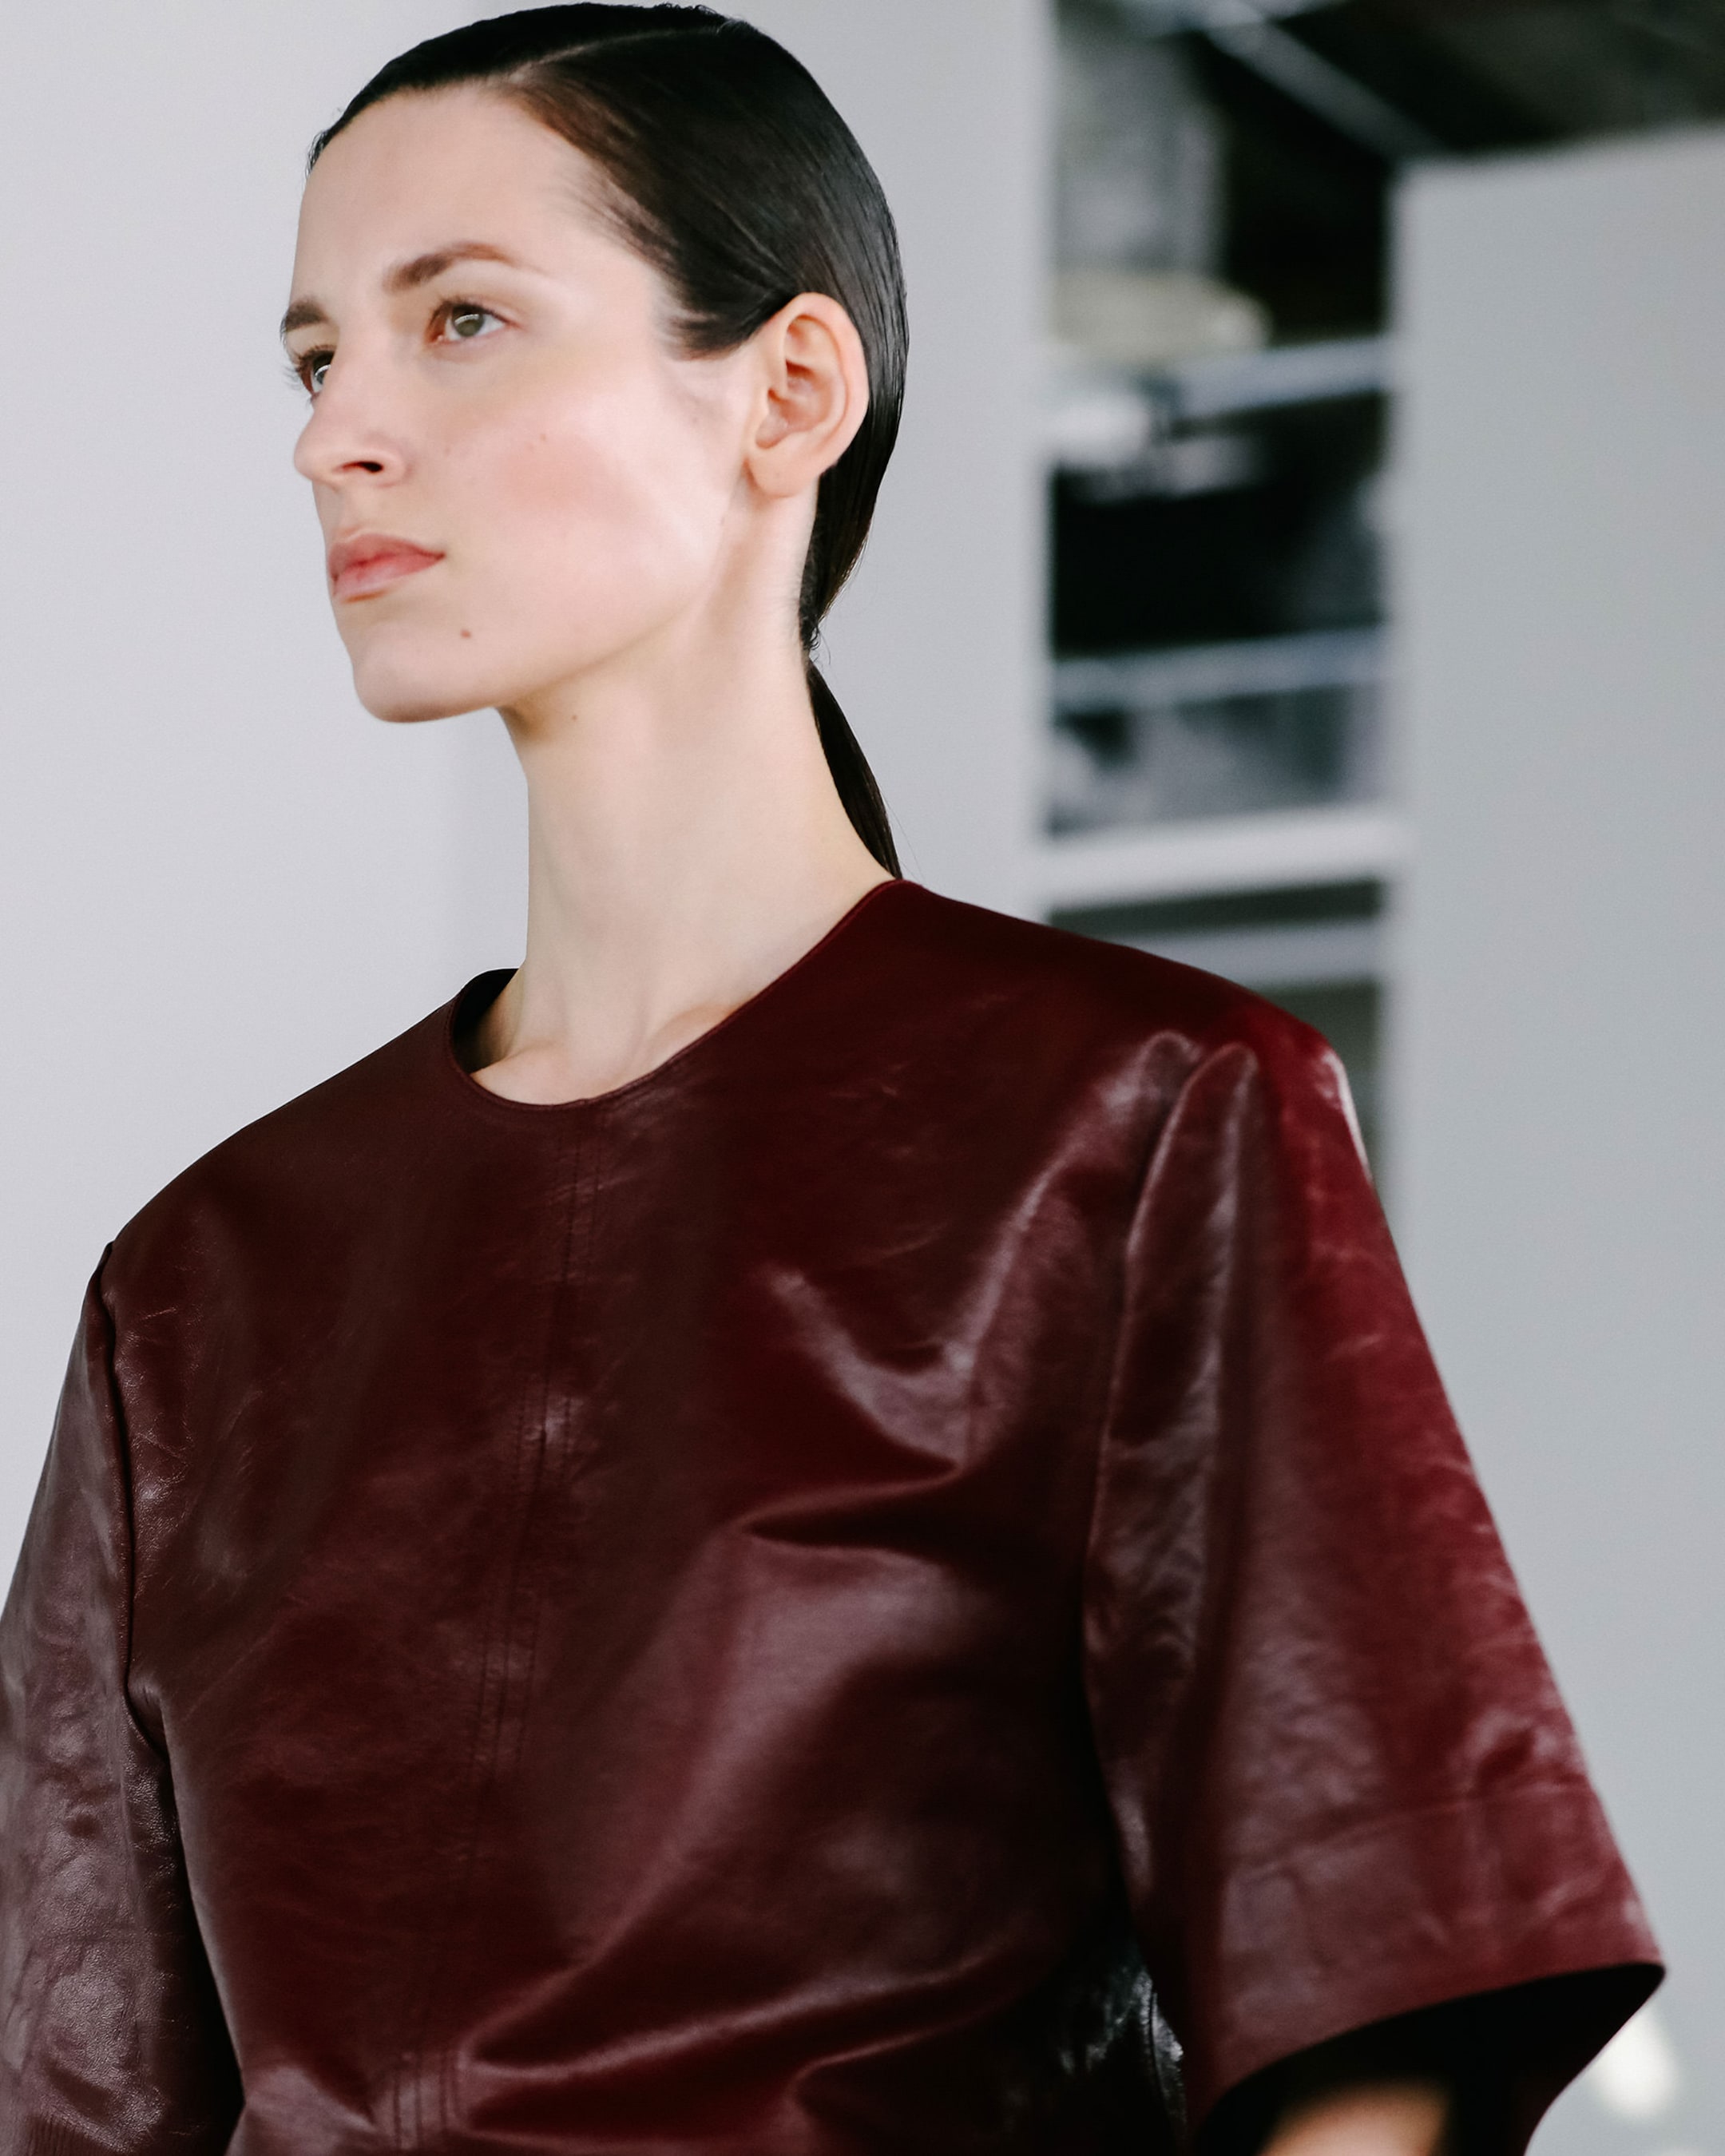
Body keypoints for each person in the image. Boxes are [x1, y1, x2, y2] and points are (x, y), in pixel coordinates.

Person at [0, 10, 1660, 2154]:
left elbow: (1374, 1995)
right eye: (321, 359)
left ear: (789, 392)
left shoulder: (1141, 1119)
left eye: (465, 321)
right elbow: (78, 2093)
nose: (339, 437)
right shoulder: (200, 1284)